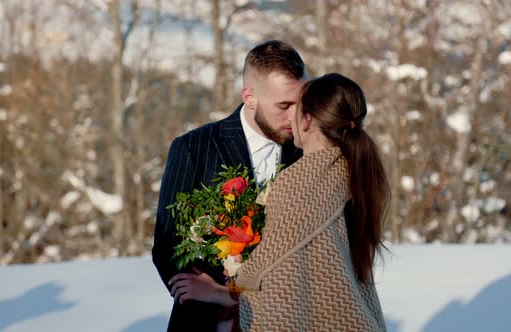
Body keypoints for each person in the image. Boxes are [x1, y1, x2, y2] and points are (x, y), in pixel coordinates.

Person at [170, 73, 390, 331]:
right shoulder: (357, 174)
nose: (290, 118)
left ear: (307, 120)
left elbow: (276, 289)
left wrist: (218, 290)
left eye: (295, 110)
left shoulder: (300, 181)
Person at [152, 40, 306, 332]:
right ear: (250, 96)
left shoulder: (308, 150)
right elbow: (167, 245)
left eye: (301, 103)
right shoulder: (193, 147)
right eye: (284, 105)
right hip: (207, 321)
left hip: (288, 316)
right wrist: (220, 298)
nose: (294, 116)